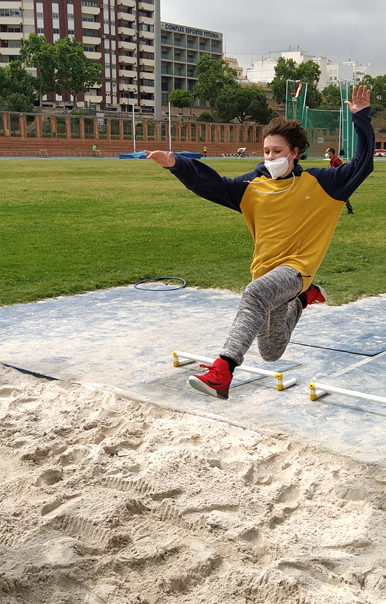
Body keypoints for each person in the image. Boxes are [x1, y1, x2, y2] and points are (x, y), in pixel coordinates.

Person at [146, 85, 374, 399]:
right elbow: (212, 184)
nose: (270, 157)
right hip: (266, 273)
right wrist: (178, 165)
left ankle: (222, 371)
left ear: (294, 153)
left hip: (296, 269)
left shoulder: (323, 184)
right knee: (270, 351)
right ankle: (304, 300)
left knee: (254, 294)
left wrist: (362, 119)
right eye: (266, 151)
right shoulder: (251, 186)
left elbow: (363, 165)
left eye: (277, 151)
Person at [327, 147, 354, 214]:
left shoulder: (336, 160)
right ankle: (348, 209)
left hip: (339, 180)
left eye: (327, 152)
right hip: (335, 180)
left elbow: (342, 169)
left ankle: (349, 209)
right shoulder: (332, 160)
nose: (326, 153)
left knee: (340, 194)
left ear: (331, 153)